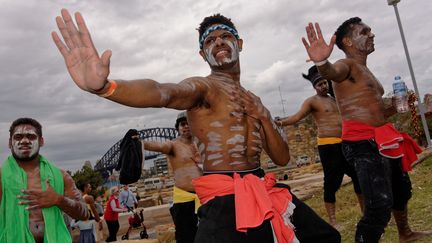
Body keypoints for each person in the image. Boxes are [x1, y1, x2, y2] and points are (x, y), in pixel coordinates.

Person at [53, 10, 340, 242]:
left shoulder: (255, 100)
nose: (218, 42)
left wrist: (262, 114)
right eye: (209, 40)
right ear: (203, 55)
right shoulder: (203, 88)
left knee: (325, 237)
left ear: (239, 44)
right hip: (223, 201)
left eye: (225, 36)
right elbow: (162, 92)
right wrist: (105, 87)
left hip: (262, 187)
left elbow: (282, 158)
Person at [302, 17, 431, 243]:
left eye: (370, 30)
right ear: (348, 42)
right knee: (378, 205)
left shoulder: (366, 71)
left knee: (401, 191)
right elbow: (332, 72)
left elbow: (377, 112)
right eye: (364, 31)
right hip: (362, 143)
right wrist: (322, 63)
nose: (372, 34)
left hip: (382, 138)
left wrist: (396, 107)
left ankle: (405, 233)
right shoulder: (347, 66)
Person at [276, 65, 363, 229]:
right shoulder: (312, 101)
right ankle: (333, 221)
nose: (323, 86)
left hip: (345, 142)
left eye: (324, 83)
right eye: (319, 84)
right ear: (314, 87)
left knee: (358, 175)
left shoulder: (334, 98)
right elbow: (297, 116)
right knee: (331, 183)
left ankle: (365, 214)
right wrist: (280, 122)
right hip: (328, 146)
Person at [0, 117, 89, 243]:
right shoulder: (1, 177)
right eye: (18, 137)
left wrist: (59, 200)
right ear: (10, 143)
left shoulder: (61, 176)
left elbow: (84, 213)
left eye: (31, 136)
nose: (24, 140)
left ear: (41, 141)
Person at [134, 112, 202, 243]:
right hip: (183, 200)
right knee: (185, 238)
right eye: (183, 124)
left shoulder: (202, 144)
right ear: (177, 128)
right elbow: (158, 145)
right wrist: (140, 142)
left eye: (189, 123)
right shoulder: (173, 145)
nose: (186, 126)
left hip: (204, 197)